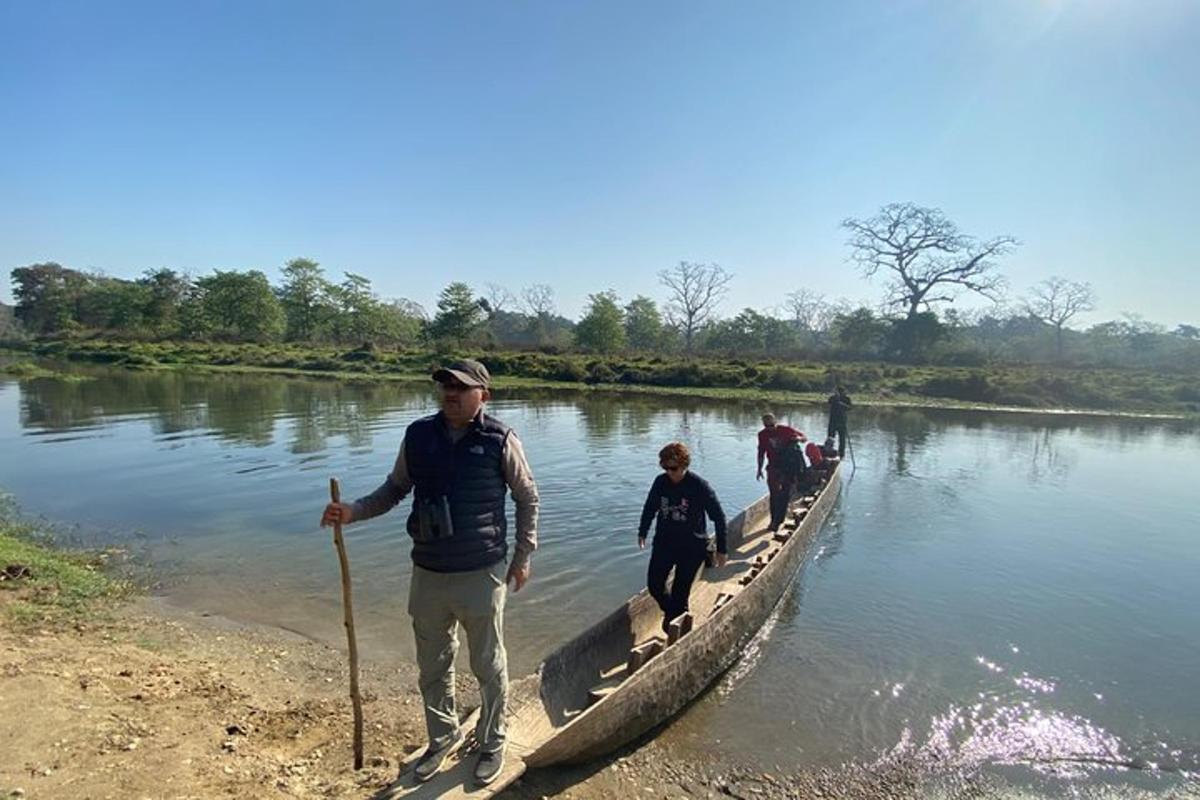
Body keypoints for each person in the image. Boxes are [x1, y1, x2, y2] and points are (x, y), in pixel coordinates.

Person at [320, 358, 539, 787]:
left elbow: (528, 498)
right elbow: (394, 489)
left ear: (484, 395)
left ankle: (492, 739)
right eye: (444, 386)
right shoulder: (418, 435)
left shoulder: (500, 439)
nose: (450, 394)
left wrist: (524, 556)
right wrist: (353, 512)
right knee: (432, 666)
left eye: (460, 387)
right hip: (429, 571)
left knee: (488, 663)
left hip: (482, 571)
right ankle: (443, 737)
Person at [638, 442, 728, 633]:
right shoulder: (660, 482)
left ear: (684, 465)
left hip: (692, 546)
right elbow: (650, 507)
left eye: (673, 468)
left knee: (680, 591)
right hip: (665, 541)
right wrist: (643, 531)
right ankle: (674, 613)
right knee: (654, 585)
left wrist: (722, 549)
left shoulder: (699, 486)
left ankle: (680, 626)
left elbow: (718, 517)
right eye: (665, 468)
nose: (669, 472)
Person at [756, 413, 803, 531]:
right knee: (774, 494)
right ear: (764, 425)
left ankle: (778, 521)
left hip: (787, 467)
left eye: (771, 425)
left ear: (775, 422)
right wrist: (759, 469)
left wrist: (797, 439)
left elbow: (803, 438)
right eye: (767, 426)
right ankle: (774, 521)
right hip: (773, 466)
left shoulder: (785, 430)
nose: (770, 428)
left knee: (784, 494)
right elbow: (761, 452)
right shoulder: (762, 435)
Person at [826, 385, 852, 458]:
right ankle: (828, 453)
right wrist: (836, 399)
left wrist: (841, 404)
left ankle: (841, 454)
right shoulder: (833, 398)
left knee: (842, 440)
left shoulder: (847, 399)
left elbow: (849, 408)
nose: (840, 393)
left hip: (842, 422)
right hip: (833, 422)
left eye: (842, 392)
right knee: (830, 438)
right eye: (838, 392)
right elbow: (829, 402)